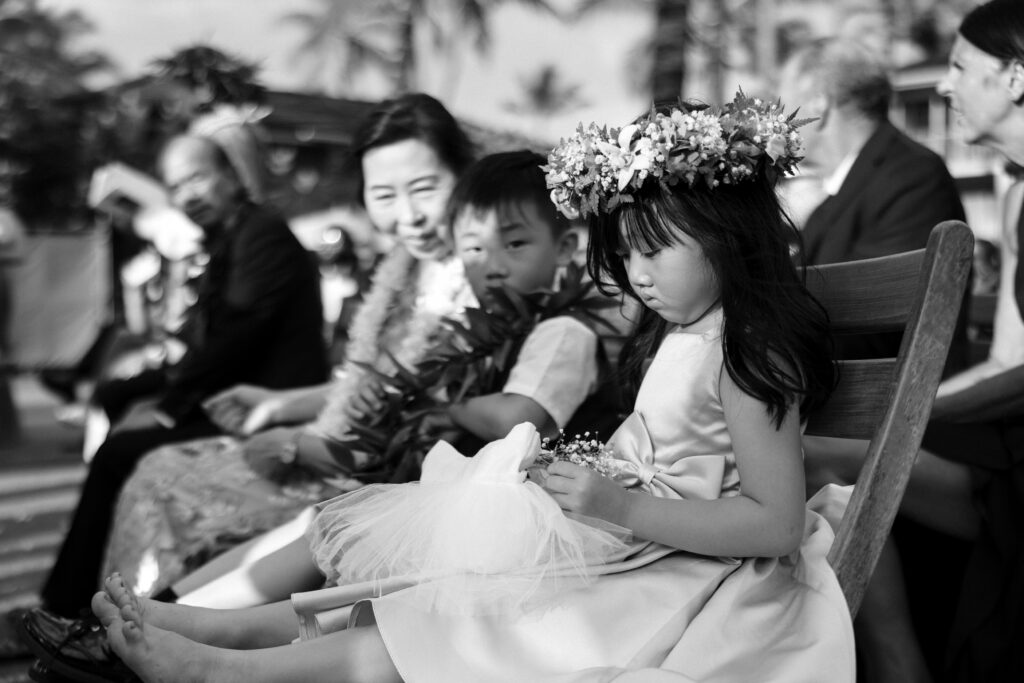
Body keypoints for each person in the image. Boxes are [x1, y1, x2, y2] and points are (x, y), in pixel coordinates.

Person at [86, 94, 854, 683]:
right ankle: (217, 630)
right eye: (629, 253)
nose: (641, 274)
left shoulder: (750, 350)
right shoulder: (692, 331)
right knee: (439, 591)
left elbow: (776, 521)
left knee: (471, 622)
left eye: (658, 250)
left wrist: (617, 504)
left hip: (682, 570)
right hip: (641, 544)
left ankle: (226, 667)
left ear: (729, 231)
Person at [80, 93, 480, 606]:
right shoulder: (403, 271)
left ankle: (140, 628)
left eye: (424, 189)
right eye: (384, 195)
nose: (409, 216)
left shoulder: (484, 272)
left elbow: (418, 406)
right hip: (336, 442)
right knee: (153, 465)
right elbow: (368, 382)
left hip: (380, 473)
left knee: (162, 476)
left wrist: (295, 436)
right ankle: (124, 622)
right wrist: (277, 404)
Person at [807, 2, 1024, 680]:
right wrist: (911, 415)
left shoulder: (927, 178)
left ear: (1015, 77)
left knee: (810, 452)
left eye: (961, 67)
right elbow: (1008, 357)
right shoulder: (1014, 189)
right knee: (808, 447)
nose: (946, 85)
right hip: (1000, 432)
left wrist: (906, 416)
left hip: (1014, 456)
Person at [36, 134, 330, 619]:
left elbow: (235, 341)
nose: (189, 195)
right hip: (228, 396)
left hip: (262, 410)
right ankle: (77, 601)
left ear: (232, 176)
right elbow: (204, 346)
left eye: (198, 177)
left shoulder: (262, 234)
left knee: (120, 452)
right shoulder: (229, 238)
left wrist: (169, 410)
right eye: (176, 186)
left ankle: (71, 609)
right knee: (114, 402)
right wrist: (138, 389)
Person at [778, 37, 968, 363]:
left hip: (891, 398)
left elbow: (873, 321)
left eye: (782, 102)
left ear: (818, 105)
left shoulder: (912, 176)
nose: (777, 120)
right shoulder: (846, 185)